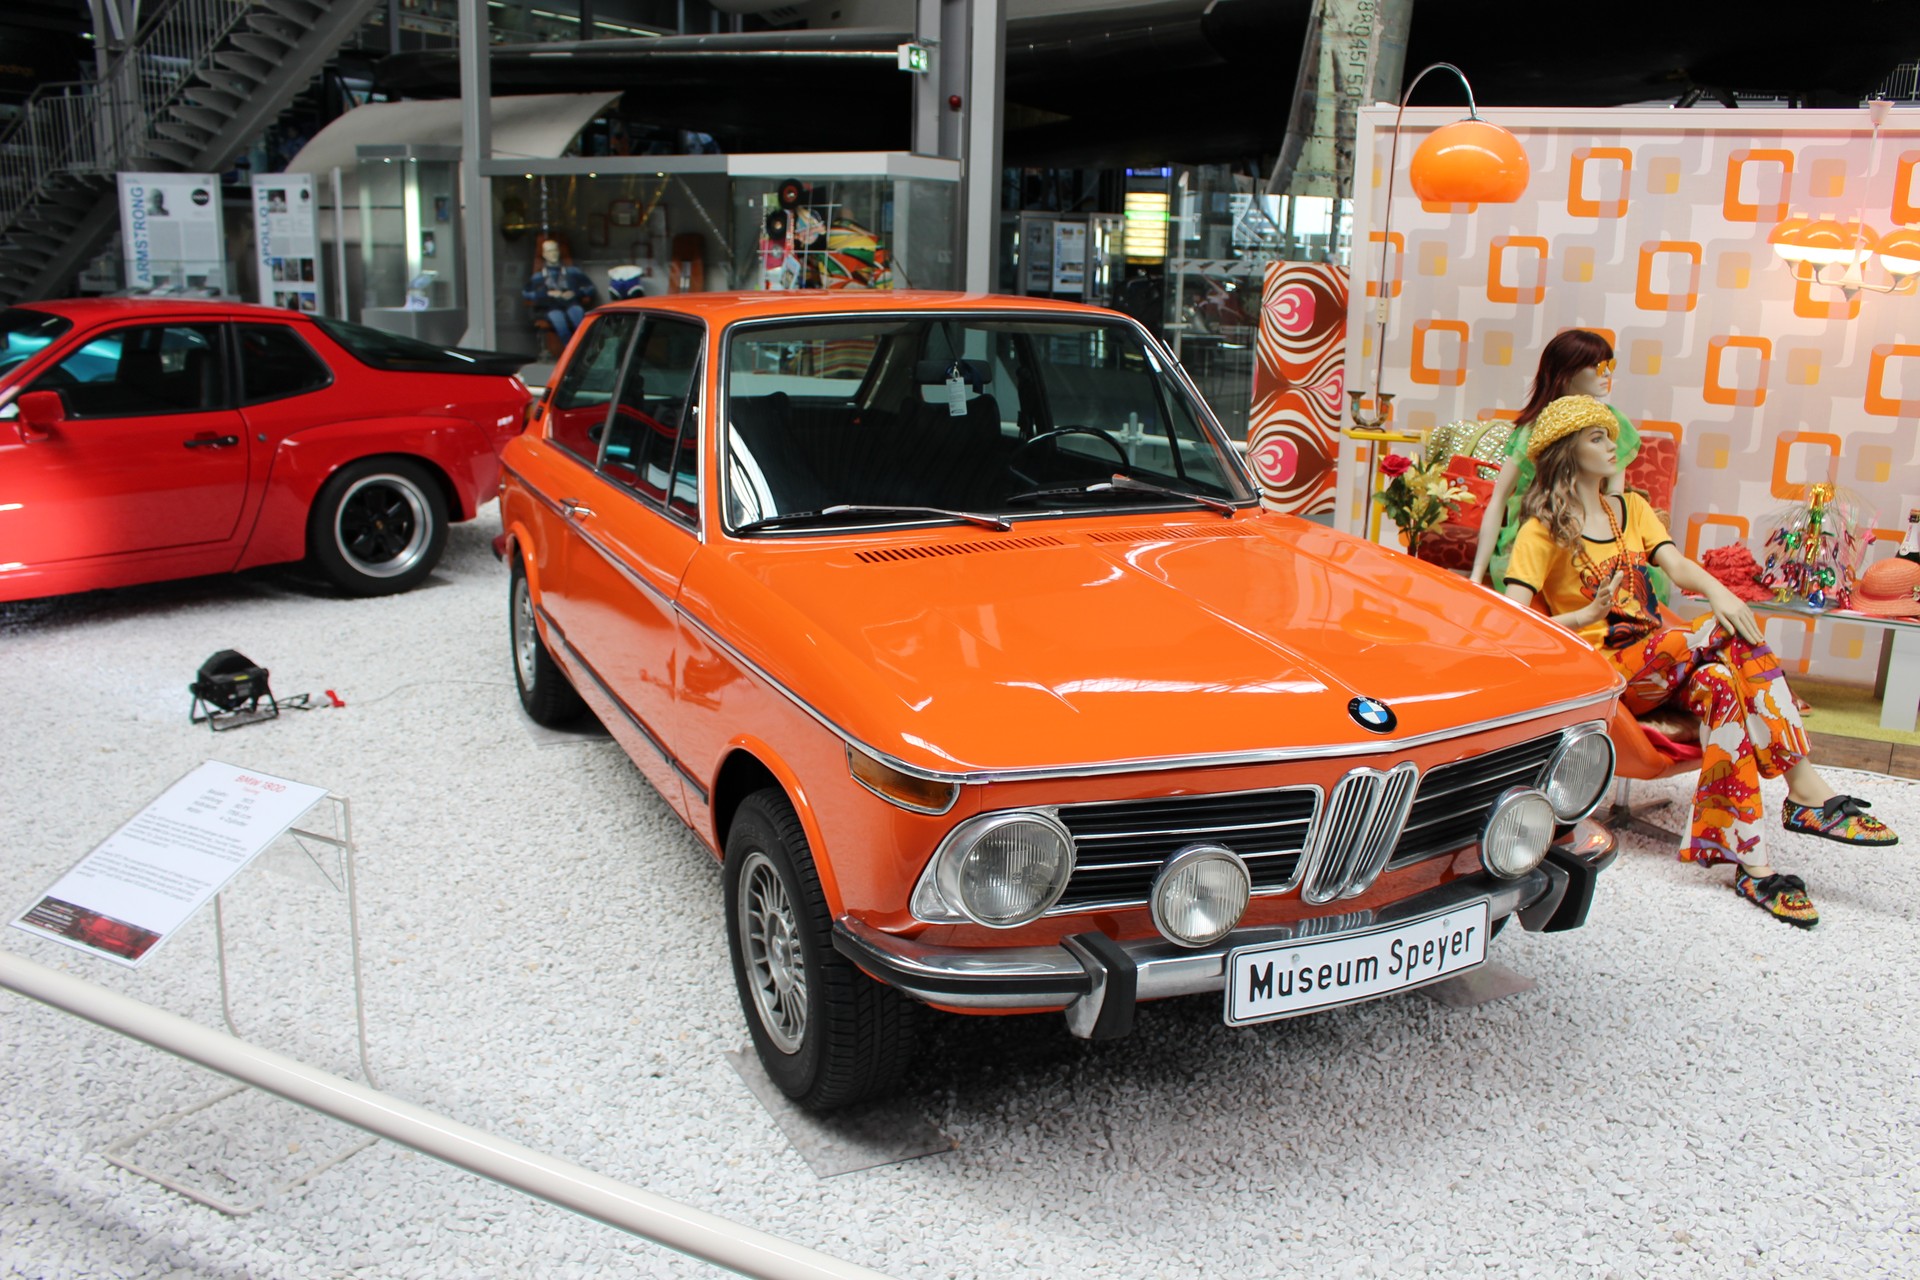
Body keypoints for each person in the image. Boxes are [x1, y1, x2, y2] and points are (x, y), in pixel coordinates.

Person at [1502, 395, 1898, 928]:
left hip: (1666, 658)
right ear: (1566, 452)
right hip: (1612, 674)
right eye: (1597, 438)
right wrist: (1585, 616)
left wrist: (1720, 593)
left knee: (1720, 684)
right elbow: (1515, 621)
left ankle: (1753, 866)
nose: (1613, 445)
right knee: (1705, 634)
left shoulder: (1631, 509)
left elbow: (1678, 564)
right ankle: (1804, 789)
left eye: (1610, 435)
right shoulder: (1540, 531)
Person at [1470, 329, 1641, 591]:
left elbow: (1615, 495)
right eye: (1598, 366)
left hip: (1593, 531)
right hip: (1540, 528)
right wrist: (1476, 573)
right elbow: (1499, 498)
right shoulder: (1534, 429)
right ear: (1566, 372)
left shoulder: (1611, 422)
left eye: (1610, 364)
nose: (1607, 373)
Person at [524, 238, 594, 344]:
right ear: (544, 254)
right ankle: (571, 350)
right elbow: (526, 293)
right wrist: (546, 294)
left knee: (580, 322)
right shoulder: (538, 276)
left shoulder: (573, 271)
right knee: (560, 323)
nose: (553, 254)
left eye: (555, 250)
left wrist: (575, 293)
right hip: (551, 307)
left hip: (571, 303)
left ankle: (585, 347)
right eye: (549, 251)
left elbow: (590, 288)